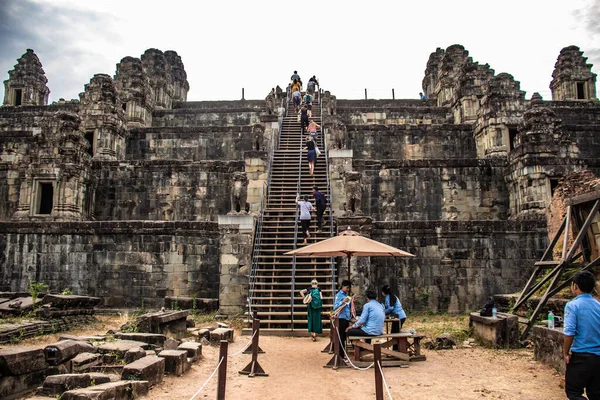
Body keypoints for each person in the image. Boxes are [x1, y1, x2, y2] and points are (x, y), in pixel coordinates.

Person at [563, 270, 600, 400]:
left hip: (581, 356)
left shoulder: (573, 306)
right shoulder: (598, 305)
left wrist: (566, 353)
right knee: (596, 394)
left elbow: (569, 332)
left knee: (573, 393)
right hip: (598, 357)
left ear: (575, 286)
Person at [382, 284, 407, 350]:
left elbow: (390, 308)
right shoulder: (393, 296)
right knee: (394, 332)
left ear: (383, 292)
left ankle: (396, 350)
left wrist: (383, 311)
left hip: (399, 317)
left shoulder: (388, 297)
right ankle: (396, 349)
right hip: (401, 316)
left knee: (395, 333)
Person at [333, 280, 352, 361]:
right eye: (347, 287)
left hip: (346, 317)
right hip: (341, 318)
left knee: (344, 337)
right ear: (343, 286)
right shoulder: (339, 295)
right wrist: (342, 302)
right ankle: (341, 355)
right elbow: (335, 307)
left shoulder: (346, 295)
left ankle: (342, 354)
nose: (348, 289)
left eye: (349, 288)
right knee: (341, 337)